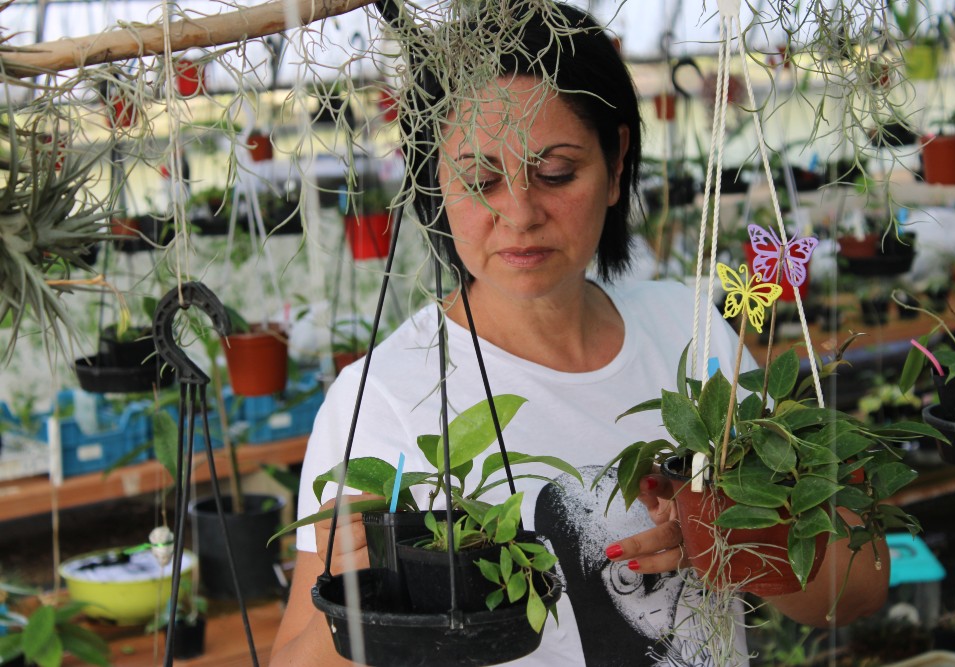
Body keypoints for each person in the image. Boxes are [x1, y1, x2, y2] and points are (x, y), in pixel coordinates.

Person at [271, 3, 888, 665]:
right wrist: (362, 607)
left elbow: (859, 588)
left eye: (556, 171)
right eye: (480, 179)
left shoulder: (689, 327)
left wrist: (740, 545)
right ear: (433, 182)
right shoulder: (380, 399)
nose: (520, 213)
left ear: (617, 162)